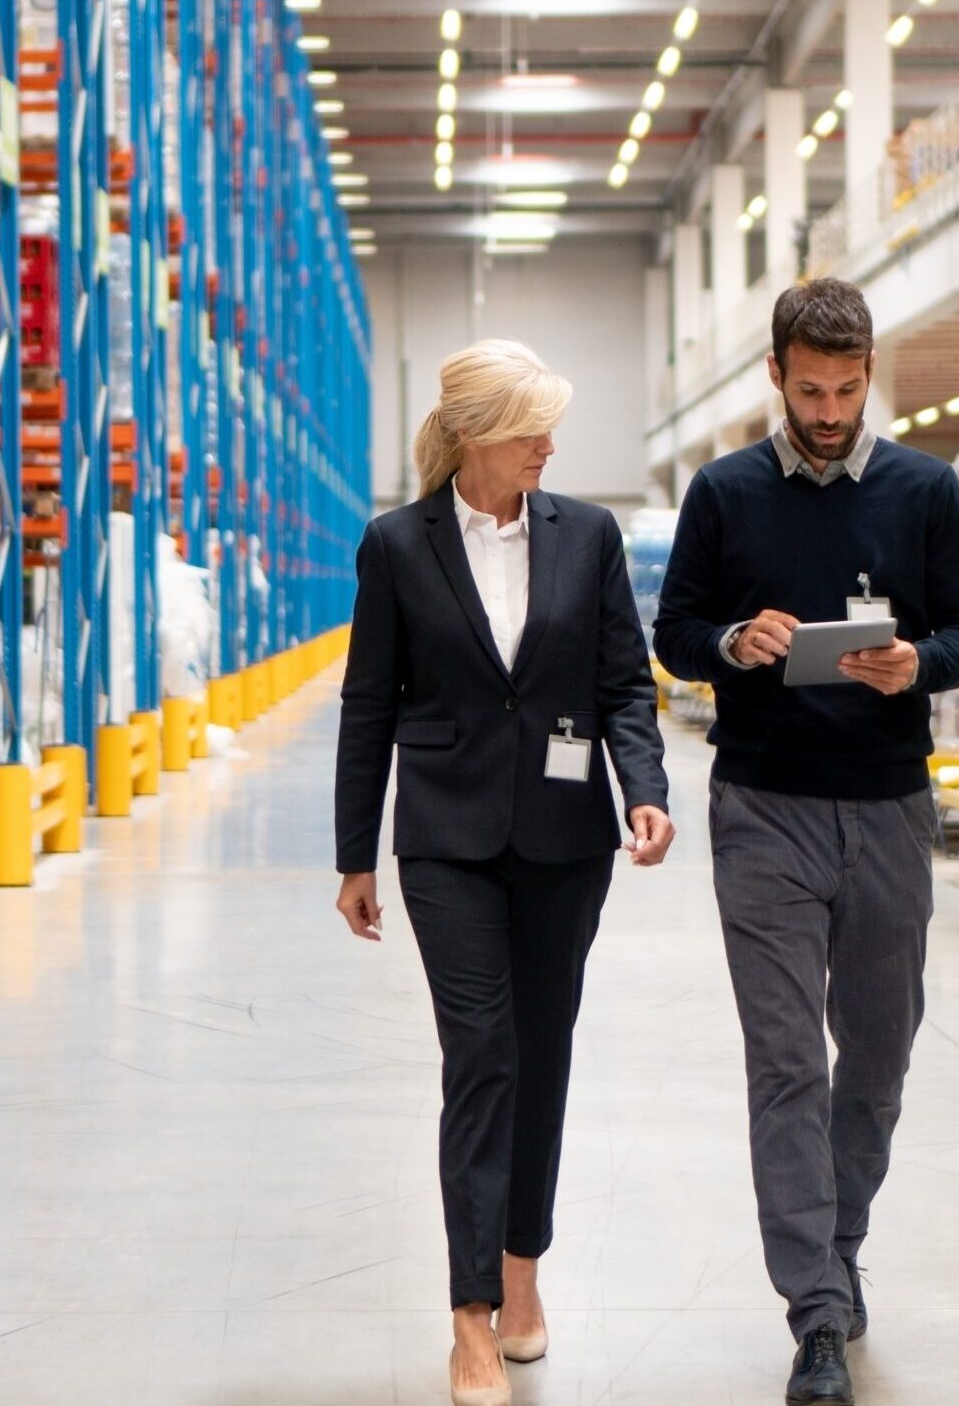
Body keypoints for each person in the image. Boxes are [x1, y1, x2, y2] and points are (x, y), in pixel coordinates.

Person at [652, 278, 959, 1406]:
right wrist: (732, 642)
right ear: (776, 375)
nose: (831, 411)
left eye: (848, 390)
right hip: (763, 809)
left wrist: (917, 664)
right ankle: (813, 1310)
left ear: (868, 374)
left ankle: (839, 1248)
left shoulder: (924, 490)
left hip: (888, 806)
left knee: (880, 1053)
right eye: (810, 391)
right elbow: (674, 631)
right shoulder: (723, 491)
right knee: (787, 1060)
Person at [332, 339, 676, 1406]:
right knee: (480, 1056)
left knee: (541, 1054)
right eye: (531, 428)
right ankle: (470, 1317)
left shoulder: (589, 534)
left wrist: (645, 786)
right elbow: (367, 702)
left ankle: (523, 1267)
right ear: (476, 433)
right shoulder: (398, 544)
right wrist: (354, 854)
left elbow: (623, 682)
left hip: (567, 838)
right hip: (446, 837)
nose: (549, 446)